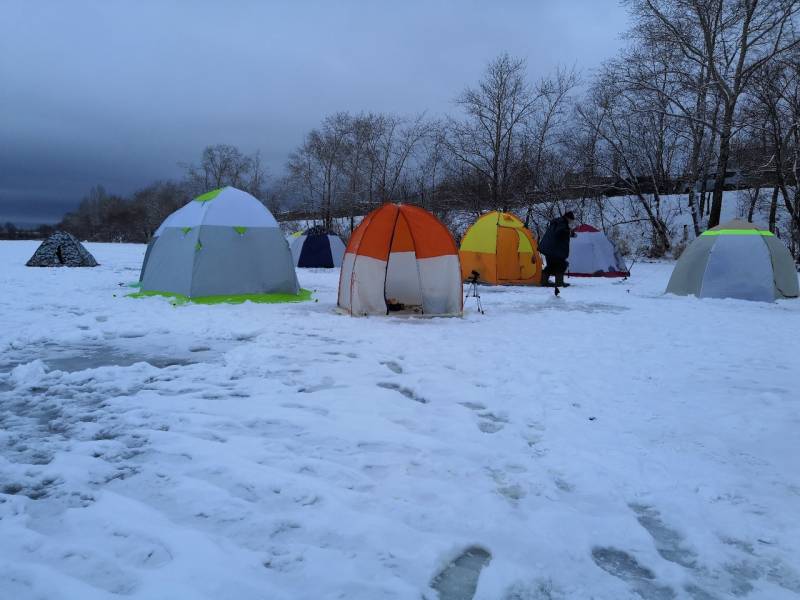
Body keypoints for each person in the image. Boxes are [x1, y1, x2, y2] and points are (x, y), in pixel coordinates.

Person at [539, 211, 577, 287]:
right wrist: (570, 233)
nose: (571, 222)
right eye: (571, 220)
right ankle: (559, 283)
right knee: (561, 265)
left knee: (551, 265)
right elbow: (560, 232)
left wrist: (568, 232)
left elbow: (557, 233)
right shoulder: (562, 223)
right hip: (554, 249)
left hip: (548, 248)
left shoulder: (557, 222)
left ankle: (543, 281)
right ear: (568, 218)